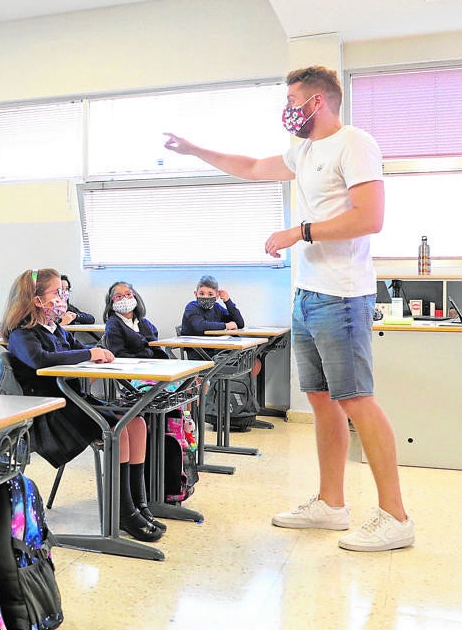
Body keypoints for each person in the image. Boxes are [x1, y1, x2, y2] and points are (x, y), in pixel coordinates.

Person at [163, 65, 412, 552]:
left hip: (342, 295)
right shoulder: (304, 150)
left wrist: (298, 232)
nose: (288, 109)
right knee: (321, 400)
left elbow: (370, 217)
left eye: (293, 99)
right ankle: (331, 503)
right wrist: (195, 150)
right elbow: (253, 166)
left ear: (317, 102)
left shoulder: (354, 143)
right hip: (308, 293)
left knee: (356, 399)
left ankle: (395, 516)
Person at [3, 268, 164, 543]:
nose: (63, 297)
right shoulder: (23, 334)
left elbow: (76, 350)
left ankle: (139, 504)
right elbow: (41, 360)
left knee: (136, 422)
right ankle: (123, 513)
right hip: (50, 415)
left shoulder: (56, 329)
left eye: (64, 292)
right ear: (36, 299)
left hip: (74, 403)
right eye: (57, 292)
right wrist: (89, 353)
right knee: (119, 429)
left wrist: (96, 355)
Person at [102, 281, 165, 359]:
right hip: (131, 367)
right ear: (111, 302)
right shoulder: (113, 325)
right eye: (118, 296)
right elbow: (119, 354)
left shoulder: (144, 322)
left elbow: (156, 347)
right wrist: (147, 354)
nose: (124, 299)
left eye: (128, 294)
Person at [180, 275, 245, 336]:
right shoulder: (191, 307)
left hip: (213, 345)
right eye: (201, 294)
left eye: (210, 294)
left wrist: (227, 301)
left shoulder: (217, 308)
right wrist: (226, 326)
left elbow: (239, 324)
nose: (205, 297)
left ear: (217, 296)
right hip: (195, 346)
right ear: (196, 294)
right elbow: (200, 326)